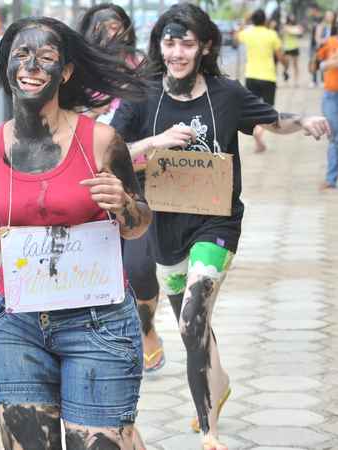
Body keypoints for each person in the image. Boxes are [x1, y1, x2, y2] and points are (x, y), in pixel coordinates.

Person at [0, 16, 151, 450]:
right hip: (17, 325)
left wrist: (123, 204)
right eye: (21, 55)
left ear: (64, 72)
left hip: (97, 322)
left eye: (46, 58)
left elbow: (138, 226)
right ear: (6, 64)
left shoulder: (101, 141)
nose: (31, 66)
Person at [111, 4, 330, 450]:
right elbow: (112, 152)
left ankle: (208, 430)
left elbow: (271, 119)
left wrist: (303, 120)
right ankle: (219, 381)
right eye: (169, 43)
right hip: (163, 227)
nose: (176, 52)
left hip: (217, 222)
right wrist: (155, 142)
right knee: (195, 328)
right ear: (159, 46)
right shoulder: (142, 94)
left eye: (186, 43)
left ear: (205, 46)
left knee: (193, 315)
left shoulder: (225, 94)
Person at [78, 4, 165, 373]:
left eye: (117, 27)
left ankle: (146, 328)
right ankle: (101, 338)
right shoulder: (74, 74)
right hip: (86, 183)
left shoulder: (143, 71)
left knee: (139, 265)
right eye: (102, 28)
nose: (111, 34)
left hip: (136, 181)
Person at [236, 9, 286, 153]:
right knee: (267, 108)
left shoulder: (247, 33)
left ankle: (257, 137)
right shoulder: (272, 34)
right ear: (265, 21)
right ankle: (259, 131)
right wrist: (286, 65)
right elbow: (280, 55)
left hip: (251, 76)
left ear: (253, 20)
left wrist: (244, 22)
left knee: (252, 108)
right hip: (268, 77)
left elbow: (236, 37)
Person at [315, 24, 338, 189]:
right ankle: (331, 178)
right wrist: (332, 60)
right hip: (331, 95)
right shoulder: (330, 42)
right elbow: (320, 65)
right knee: (334, 136)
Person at [312, 11, 337, 88]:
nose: (329, 17)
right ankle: (314, 80)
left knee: (329, 66)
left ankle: (324, 80)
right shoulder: (322, 26)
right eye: (328, 16)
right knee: (317, 64)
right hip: (323, 47)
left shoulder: (335, 26)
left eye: (331, 16)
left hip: (332, 48)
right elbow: (317, 38)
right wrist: (327, 41)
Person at [282, 14, 305, 86]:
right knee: (286, 65)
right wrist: (297, 30)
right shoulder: (285, 26)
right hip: (287, 48)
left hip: (295, 47)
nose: (292, 18)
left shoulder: (296, 26)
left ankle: (296, 81)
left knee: (295, 65)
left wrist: (298, 30)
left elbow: (300, 33)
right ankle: (286, 79)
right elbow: (293, 32)